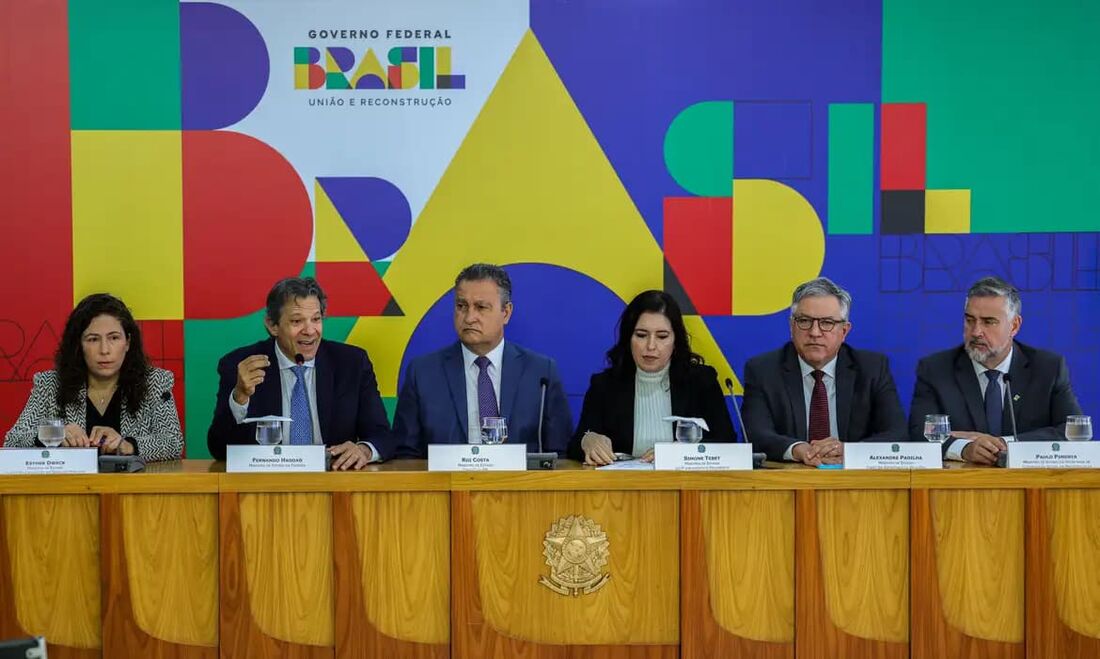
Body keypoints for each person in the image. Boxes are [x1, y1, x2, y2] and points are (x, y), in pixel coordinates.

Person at [206, 277, 392, 469]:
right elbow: (219, 449)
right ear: (272, 325)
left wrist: (364, 449)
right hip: (265, 487)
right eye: (297, 321)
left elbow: (382, 435)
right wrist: (240, 397)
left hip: (334, 483)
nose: (310, 331)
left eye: (316, 319)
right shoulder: (242, 366)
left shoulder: (352, 364)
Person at [393, 263, 573, 455]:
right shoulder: (423, 373)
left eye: (481, 307)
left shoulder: (541, 372)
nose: (469, 317)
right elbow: (405, 454)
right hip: (445, 483)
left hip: (519, 484)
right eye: (461, 306)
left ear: (506, 312)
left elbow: (560, 453)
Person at [909, 276, 1082, 464]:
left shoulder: (1047, 368)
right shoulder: (936, 369)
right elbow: (919, 432)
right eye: (970, 320)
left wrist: (1005, 444)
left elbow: (1072, 431)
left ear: (1014, 325)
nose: (976, 332)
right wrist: (964, 448)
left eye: (988, 322)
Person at [741, 277, 907, 464]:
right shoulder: (763, 370)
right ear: (791, 326)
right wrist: (797, 449)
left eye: (827, 323)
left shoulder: (872, 368)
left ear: (844, 331)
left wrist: (847, 450)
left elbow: (897, 432)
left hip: (855, 482)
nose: (814, 332)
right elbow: (755, 434)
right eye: (804, 321)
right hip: (790, 481)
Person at [5, 293, 183, 461]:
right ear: (79, 345)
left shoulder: (154, 383)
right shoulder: (50, 385)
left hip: (130, 489)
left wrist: (128, 445)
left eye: (114, 338)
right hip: (69, 489)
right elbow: (12, 442)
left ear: (127, 343)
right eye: (93, 339)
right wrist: (54, 434)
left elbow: (173, 443)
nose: (104, 350)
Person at [568, 290, 735, 465]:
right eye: (641, 335)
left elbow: (727, 443)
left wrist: (685, 452)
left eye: (662, 336)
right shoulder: (605, 385)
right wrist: (587, 441)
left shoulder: (700, 381)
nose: (651, 346)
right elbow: (574, 447)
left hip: (687, 486)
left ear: (675, 340)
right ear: (628, 338)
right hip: (622, 487)